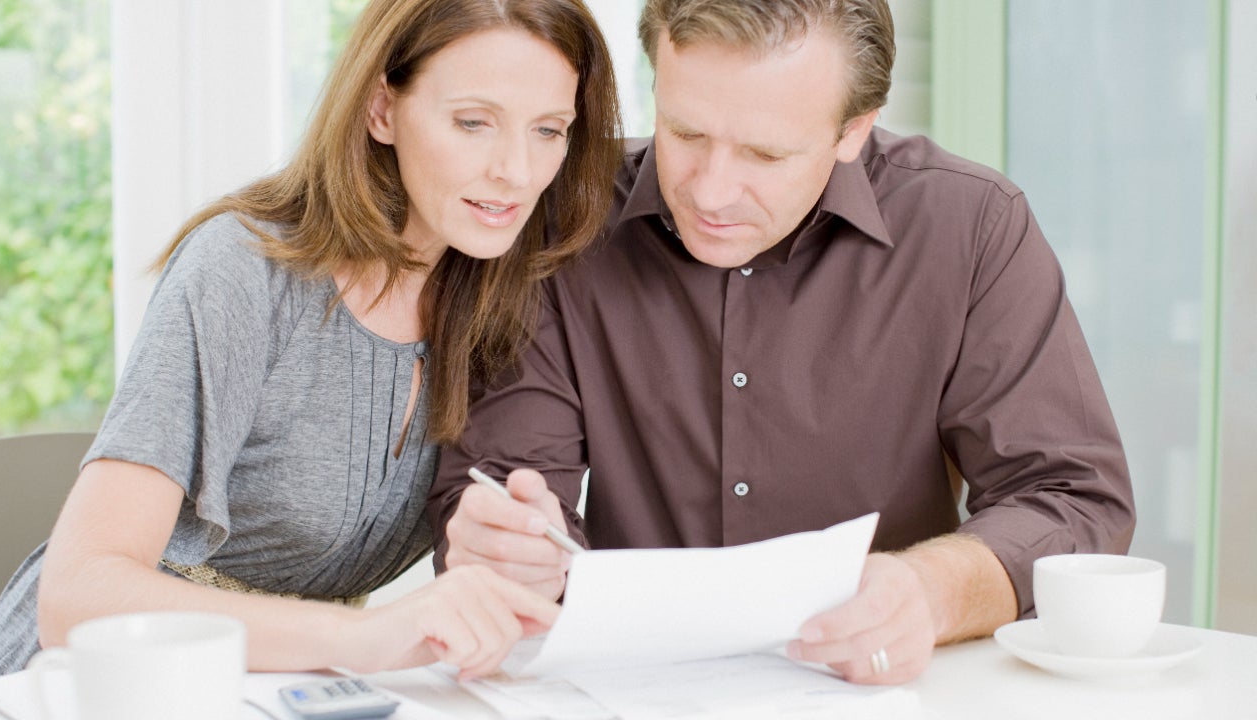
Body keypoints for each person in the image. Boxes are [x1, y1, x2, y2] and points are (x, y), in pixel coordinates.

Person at [426, 0, 1135, 686]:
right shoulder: (561, 220)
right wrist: (513, 555)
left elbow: (1073, 499)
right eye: (685, 133)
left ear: (854, 130)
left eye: (765, 153)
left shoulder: (972, 227)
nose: (711, 191)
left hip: (892, 694)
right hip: (624, 693)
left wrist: (930, 590)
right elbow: (498, 490)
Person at [0, 0, 622, 678]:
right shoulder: (244, 269)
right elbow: (76, 597)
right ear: (381, 109)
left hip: (278, 694)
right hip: (95, 685)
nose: (517, 171)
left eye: (549, 130)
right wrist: (364, 637)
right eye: (472, 122)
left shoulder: (501, 302)